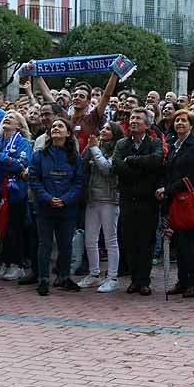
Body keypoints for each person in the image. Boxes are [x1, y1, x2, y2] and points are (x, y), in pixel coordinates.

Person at [158, 110, 194, 299]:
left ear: (192, 125)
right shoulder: (173, 146)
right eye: (177, 120)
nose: (180, 123)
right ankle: (182, 281)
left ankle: (193, 284)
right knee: (178, 244)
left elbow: (193, 176)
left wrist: (168, 189)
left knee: (188, 244)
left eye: (184, 121)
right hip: (173, 200)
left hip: (186, 200)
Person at [29, 118, 85, 296]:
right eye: (53, 126)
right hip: (45, 207)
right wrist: (47, 198)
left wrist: (65, 200)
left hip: (66, 208)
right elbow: (34, 180)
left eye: (60, 126)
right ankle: (43, 279)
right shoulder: (39, 155)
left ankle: (64, 276)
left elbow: (79, 182)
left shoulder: (75, 157)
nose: (56, 129)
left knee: (65, 244)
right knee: (44, 244)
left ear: (68, 133)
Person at [113, 108, 164, 296]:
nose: (133, 121)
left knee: (146, 241)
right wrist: (141, 167)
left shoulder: (154, 143)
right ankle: (134, 279)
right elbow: (117, 166)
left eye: (138, 119)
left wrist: (133, 160)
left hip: (147, 200)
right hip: (127, 199)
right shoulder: (121, 144)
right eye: (132, 118)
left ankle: (144, 280)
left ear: (147, 125)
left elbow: (156, 161)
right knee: (129, 240)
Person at [0, 111, 32, 282]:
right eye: (6, 116)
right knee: (2, 229)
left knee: (14, 229)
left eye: (12, 117)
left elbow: (21, 165)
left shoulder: (23, 143)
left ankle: (16, 265)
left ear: (19, 125)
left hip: (15, 192)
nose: (7, 118)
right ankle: (3, 261)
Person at [81, 122, 124, 292]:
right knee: (90, 239)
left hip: (109, 199)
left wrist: (95, 149)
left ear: (115, 133)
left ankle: (112, 277)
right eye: (103, 128)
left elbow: (107, 169)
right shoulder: (96, 146)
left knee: (110, 239)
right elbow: (82, 162)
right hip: (92, 198)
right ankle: (94, 274)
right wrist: (90, 147)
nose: (103, 131)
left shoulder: (118, 149)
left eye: (107, 129)